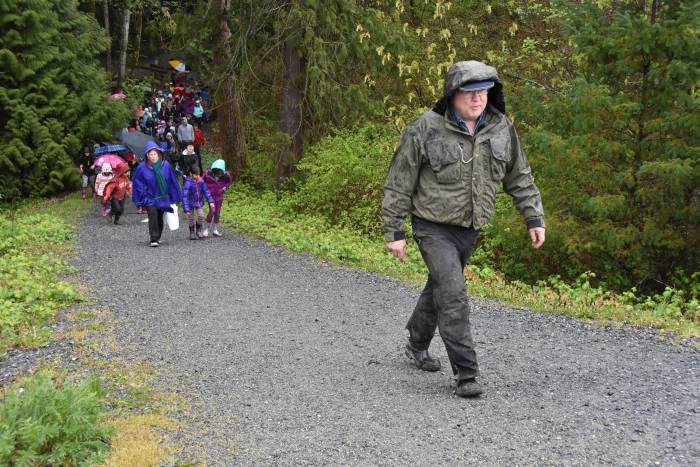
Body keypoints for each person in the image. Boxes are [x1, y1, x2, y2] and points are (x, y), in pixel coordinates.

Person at [382, 60, 545, 398]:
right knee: (453, 294)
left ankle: (416, 342)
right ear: (452, 94)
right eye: (470, 93)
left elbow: (520, 176)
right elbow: (399, 181)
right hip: (431, 226)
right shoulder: (425, 128)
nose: (477, 99)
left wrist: (534, 217)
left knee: (441, 286)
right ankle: (466, 373)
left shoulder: (501, 129)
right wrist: (394, 231)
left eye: (483, 92)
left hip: (470, 228)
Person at [132, 141, 183, 247]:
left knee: (160, 217)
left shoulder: (166, 165)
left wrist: (174, 195)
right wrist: (143, 196)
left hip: (163, 197)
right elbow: (138, 183)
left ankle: (158, 236)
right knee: (153, 216)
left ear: (159, 154)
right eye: (150, 154)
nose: (153, 156)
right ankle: (153, 238)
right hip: (150, 198)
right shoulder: (142, 167)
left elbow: (172, 180)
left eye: (155, 154)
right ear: (147, 155)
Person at [182, 166, 215, 240]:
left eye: (198, 174)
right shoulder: (188, 183)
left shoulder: (201, 181)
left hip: (199, 202)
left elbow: (206, 191)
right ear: (191, 174)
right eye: (195, 175)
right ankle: (192, 232)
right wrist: (186, 209)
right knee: (191, 218)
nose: (197, 176)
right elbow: (184, 196)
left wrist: (211, 201)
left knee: (201, 216)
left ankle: (199, 230)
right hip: (190, 203)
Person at [202, 159, 232, 237]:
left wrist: (224, 188)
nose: (219, 176)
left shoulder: (226, 175)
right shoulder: (207, 174)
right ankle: (206, 229)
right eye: (218, 174)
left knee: (217, 213)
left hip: (219, 197)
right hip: (210, 197)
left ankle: (215, 230)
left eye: (220, 174)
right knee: (212, 212)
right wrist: (205, 190)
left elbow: (229, 182)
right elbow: (201, 181)